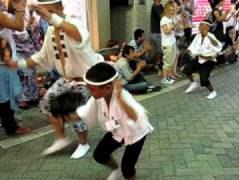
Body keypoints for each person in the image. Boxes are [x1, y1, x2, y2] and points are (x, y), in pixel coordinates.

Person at [6, 0, 103, 158]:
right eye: (44, 13)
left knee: (72, 111)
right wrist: (18, 63)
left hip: (86, 80)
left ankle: (83, 143)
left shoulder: (75, 24)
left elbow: (78, 36)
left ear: (60, 8)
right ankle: (61, 139)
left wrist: (52, 17)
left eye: (50, 11)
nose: (46, 16)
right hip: (65, 80)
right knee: (47, 104)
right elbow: (41, 57)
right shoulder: (51, 32)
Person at [59, 62, 153, 180]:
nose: (90, 92)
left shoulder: (123, 96)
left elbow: (135, 116)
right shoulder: (98, 97)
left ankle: (125, 173)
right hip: (117, 130)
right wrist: (66, 116)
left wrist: (120, 99)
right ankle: (116, 169)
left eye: (92, 89)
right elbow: (85, 112)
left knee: (127, 167)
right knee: (100, 155)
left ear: (108, 88)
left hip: (135, 133)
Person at [0, 0, 31, 136]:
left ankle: (9, 122)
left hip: (4, 61)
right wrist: (18, 8)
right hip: (3, 63)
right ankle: (10, 127)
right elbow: (19, 26)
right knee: (6, 95)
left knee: (6, 94)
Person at [182, 20, 223, 100]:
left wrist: (208, 35)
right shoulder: (198, 36)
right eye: (199, 25)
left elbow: (217, 45)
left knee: (204, 80)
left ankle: (212, 92)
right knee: (186, 70)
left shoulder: (211, 36)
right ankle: (194, 83)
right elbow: (193, 46)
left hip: (208, 61)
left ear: (207, 28)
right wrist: (188, 50)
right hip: (198, 58)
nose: (199, 27)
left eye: (201, 25)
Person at [160, 1, 177, 85]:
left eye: (173, 10)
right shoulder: (164, 19)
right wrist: (173, 26)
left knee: (171, 62)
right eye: (170, 10)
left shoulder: (169, 19)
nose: (172, 11)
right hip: (167, 44)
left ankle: (168, 77)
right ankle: (164, 79)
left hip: (172, 42)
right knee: (167, 63)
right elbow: (166, 31)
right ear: (166, 10)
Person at [150, 0, 164, 76]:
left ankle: (157, 67)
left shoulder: (160, 6)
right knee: (159, 53)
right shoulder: (154, 6)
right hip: (156, 33)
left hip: (160, 32)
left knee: (160, 52)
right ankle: (157, 68)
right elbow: (161, 16)